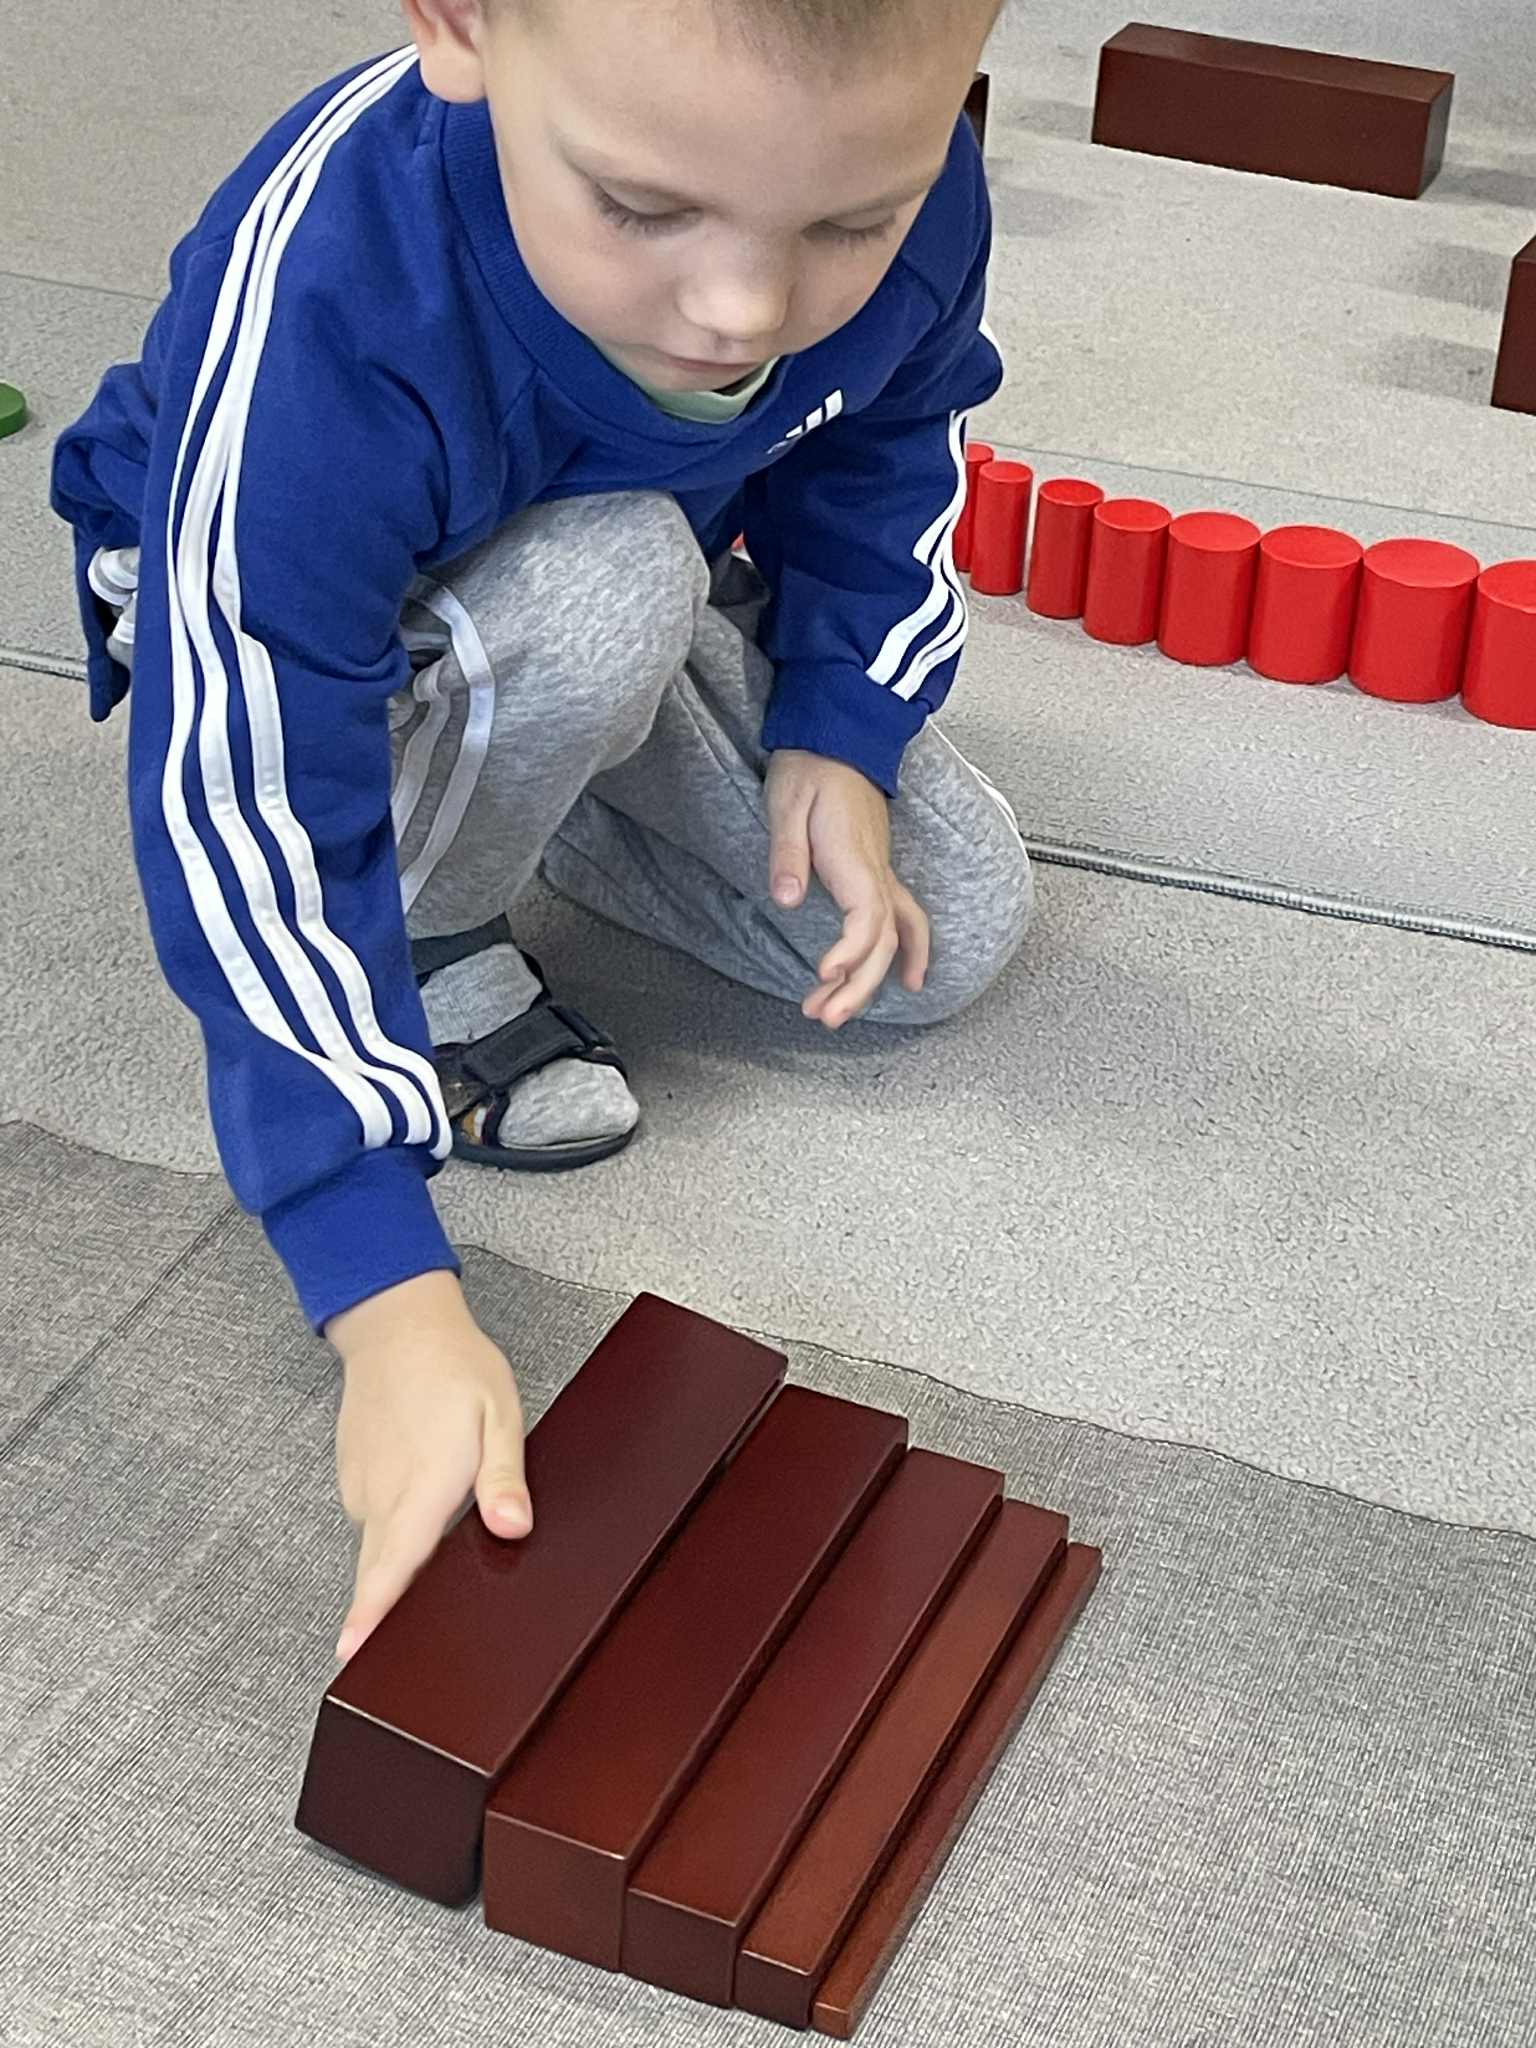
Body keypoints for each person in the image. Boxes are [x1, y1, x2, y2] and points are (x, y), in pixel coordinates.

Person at [51, 0, 1033, 1664]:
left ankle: (531, 769)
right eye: (644, 207)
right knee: (607, 587)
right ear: (460, 23)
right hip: (258, 606)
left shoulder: (910, 176)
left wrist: (840, 731)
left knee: (954, 920)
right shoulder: (336, 286)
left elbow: (890, 439)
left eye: (847, 225)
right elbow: (249, 767)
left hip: (606, 572)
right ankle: (434, 929)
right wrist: (384, 1295)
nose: (744, 310)